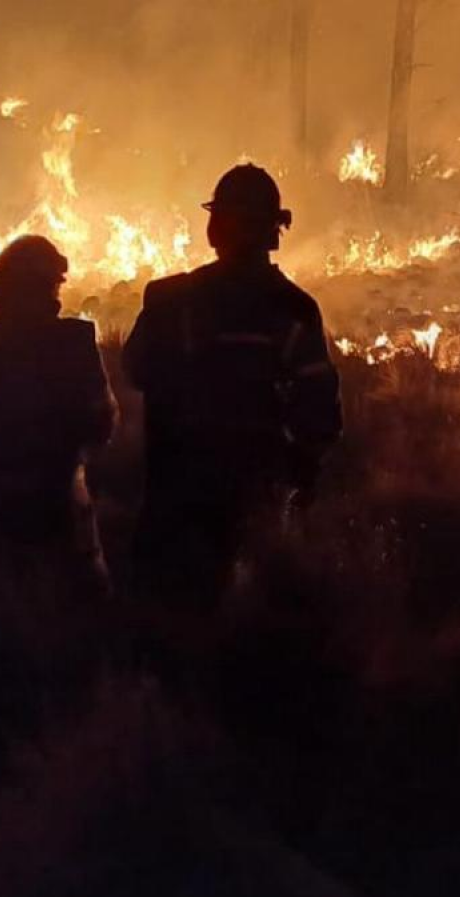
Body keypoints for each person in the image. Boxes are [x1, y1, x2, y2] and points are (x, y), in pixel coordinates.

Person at [124, 164, 342, 603]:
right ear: (275, 232)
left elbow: (135, 371)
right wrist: (297, 482)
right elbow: (320, 418)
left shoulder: (169, 301)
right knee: (249, 621)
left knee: (165, 622)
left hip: (172, 506)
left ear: (214, 229)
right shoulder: (295, 310)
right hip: (256, 512)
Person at [0, 235, 117, 597]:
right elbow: (101, 422)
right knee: (76, 605)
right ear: (51, 289)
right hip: (60, 502)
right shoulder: (75, 341)